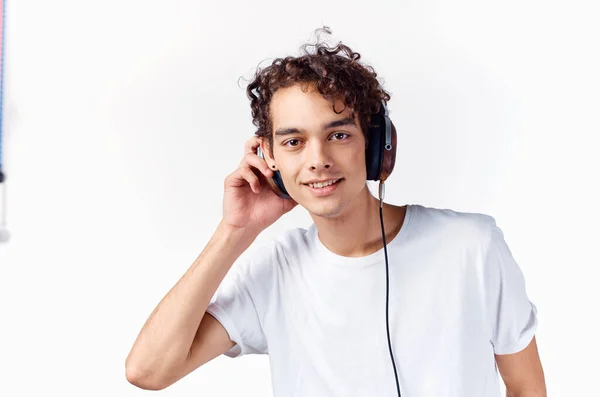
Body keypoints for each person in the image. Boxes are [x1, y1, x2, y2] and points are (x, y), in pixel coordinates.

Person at [125, 28, 547, 396]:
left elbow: (526, 387)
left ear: (374, 142)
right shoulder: (275, 270)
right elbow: (148, 370)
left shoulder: (471, 247)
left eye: (339, 134)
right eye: (293, 142)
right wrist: (235, 229)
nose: (317, 159)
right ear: (268, 157)